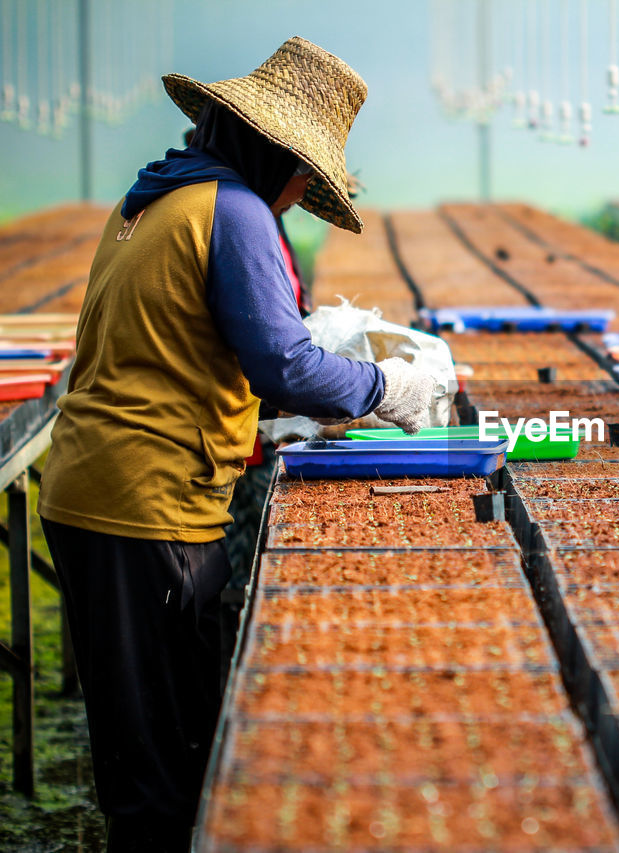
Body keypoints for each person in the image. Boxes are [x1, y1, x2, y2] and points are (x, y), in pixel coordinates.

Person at [37, 38, 439, 851]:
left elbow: (172, 348)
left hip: (95, 486)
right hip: (143, 504)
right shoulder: (237, 212)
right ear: (278, 154)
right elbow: (284, 361)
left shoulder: (156, 196)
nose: (298, 197)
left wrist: (258, 413)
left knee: (144, 738)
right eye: (303, 179)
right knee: (160, 768)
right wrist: (385, 389)